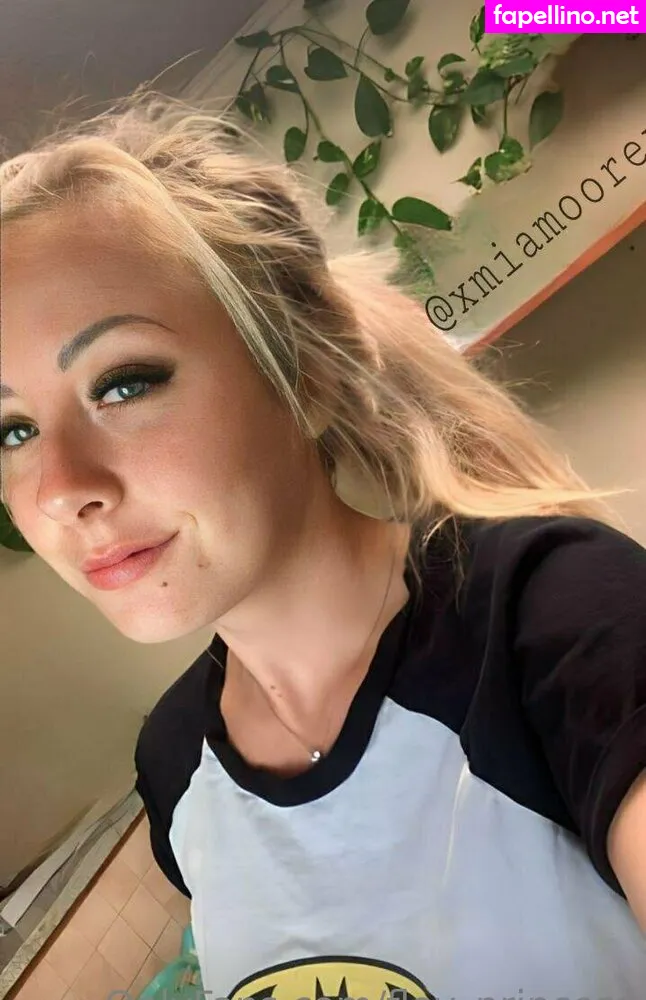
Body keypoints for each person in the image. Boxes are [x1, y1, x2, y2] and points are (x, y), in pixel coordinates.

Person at [1, 90, 645, 1000]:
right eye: (14, 432)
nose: (61, 489)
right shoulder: (175, 761)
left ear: (305, 376)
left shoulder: (556, 617)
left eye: (124, 383)